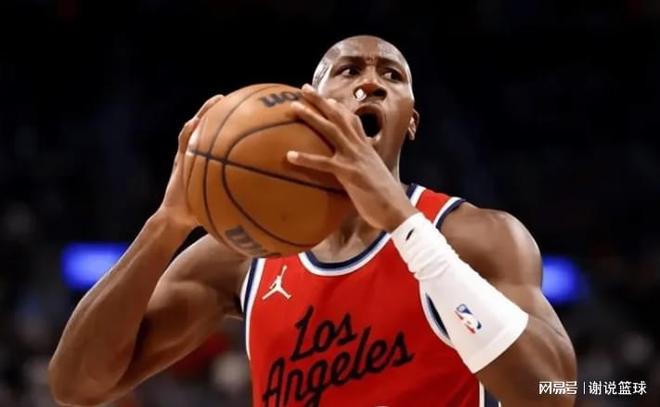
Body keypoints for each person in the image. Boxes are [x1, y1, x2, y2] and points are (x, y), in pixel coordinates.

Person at [48, 35, 577, 406]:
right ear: (310, 104)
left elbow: (556, 393)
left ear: (411, 120)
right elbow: (78, 386)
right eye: (349, 71)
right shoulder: (243, 256)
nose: (370, 83)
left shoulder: (473, 235)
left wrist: (405, 226)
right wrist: (166, 223)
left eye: (391, 76)